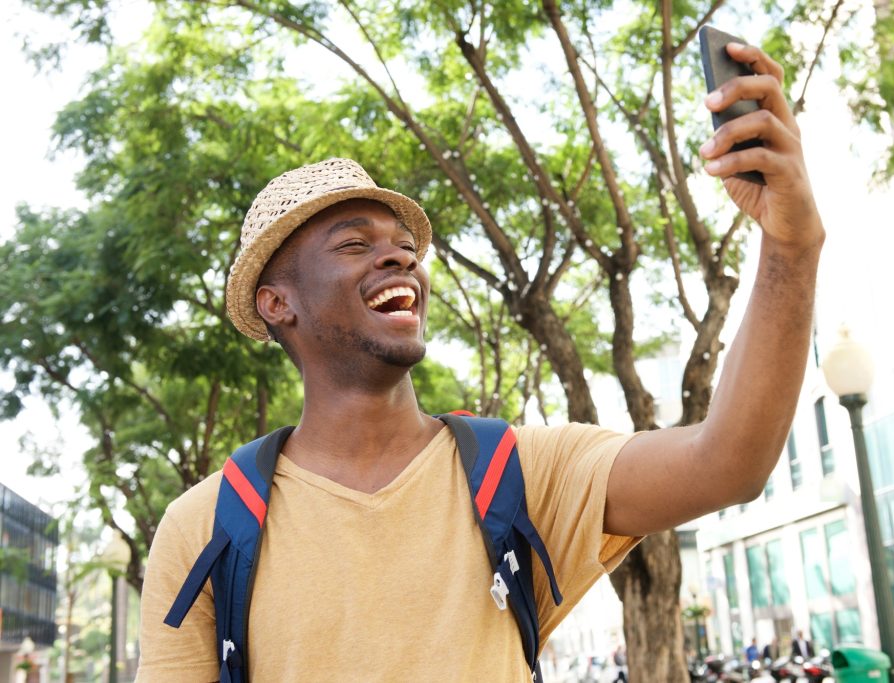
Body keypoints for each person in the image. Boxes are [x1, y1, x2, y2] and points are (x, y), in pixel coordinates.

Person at [136, 40, 826, 681]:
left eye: (405, 244)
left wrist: (790, 247)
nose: (400, 255)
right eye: (354, 243)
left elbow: (728, 461)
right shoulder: (208, 528)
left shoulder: (516, 474)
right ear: (278, 303)